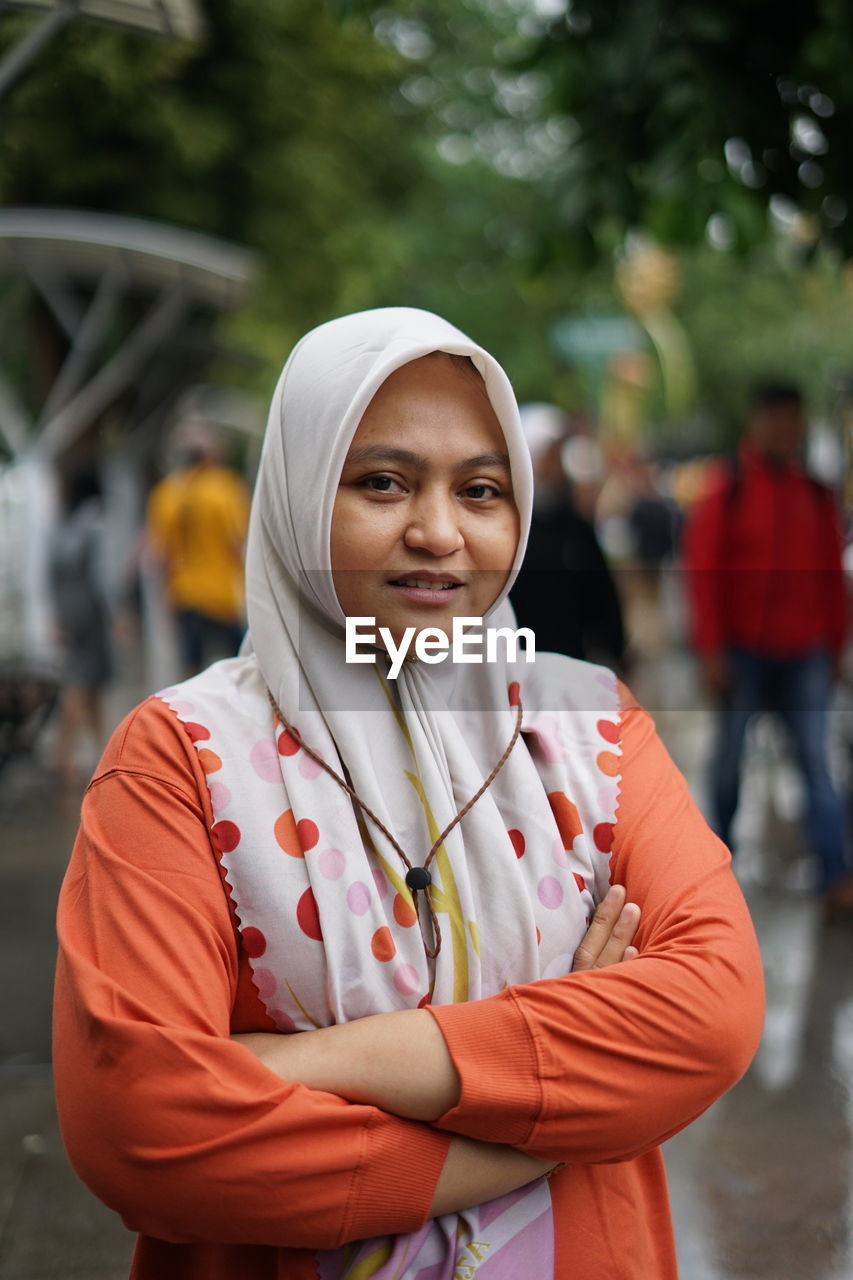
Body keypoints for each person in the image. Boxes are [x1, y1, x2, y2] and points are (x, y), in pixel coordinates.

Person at [53, 308, 764, 1280]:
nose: (437, 532)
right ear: (301, 491)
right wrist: (554, 1114)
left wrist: (305, 1064)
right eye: (382, 482)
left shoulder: (588, 724)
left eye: (480, 489)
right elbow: (142, 1128)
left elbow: (712, 1011)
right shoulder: (182, 758)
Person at [682, 380, 852, 917]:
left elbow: (831, 581)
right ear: (756, 424)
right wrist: (711, 651)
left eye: (792, 420)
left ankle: (835, 875)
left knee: (817, 767)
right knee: (729, 766)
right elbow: (702, 574)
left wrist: (836, 650)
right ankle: (709, 875)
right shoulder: (727, 488)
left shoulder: (816, 495)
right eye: (775, 419)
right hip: (743, 656)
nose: (785, 430)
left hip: (805, 655)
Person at [509, 404, 627, 668]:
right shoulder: (507, 529)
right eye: (548, 455)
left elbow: (600, 592)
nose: (555, 465)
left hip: (570, 658)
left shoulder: (575, 527)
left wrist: (616, 646)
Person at [146, 419, 250, 677]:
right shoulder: (225, 488)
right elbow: (238, 543)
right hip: (221, 595)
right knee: (239, 667)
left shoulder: (167, 492)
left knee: (191, 667)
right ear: (211, 454)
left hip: (184, 594)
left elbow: (161, 554)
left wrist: (164, 597)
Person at [47, 464, 113, 785]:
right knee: (82, 681)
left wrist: (57, 614)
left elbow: (53, 572)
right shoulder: (95, 522)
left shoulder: (65, 524)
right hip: (91, 609)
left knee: (91, 681)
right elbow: (101, 575)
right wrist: (118, 613)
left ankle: (103, 752)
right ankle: (63, 753)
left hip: (70, 609)